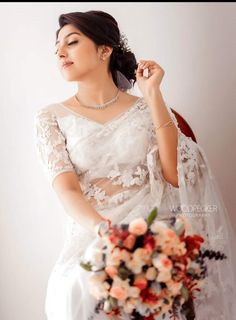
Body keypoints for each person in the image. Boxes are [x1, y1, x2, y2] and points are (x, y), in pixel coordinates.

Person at [33, 10, 236, 320]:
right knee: (80, 289)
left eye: (72, 42)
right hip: (94, 234)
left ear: (104, 50)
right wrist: (106, 232)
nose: (60, 52)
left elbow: (174, 175)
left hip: (154, 228)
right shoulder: (50, 117)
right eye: (57, 47)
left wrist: (153, 94)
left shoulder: (145, 110)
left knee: (156, 276)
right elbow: (67, 190)